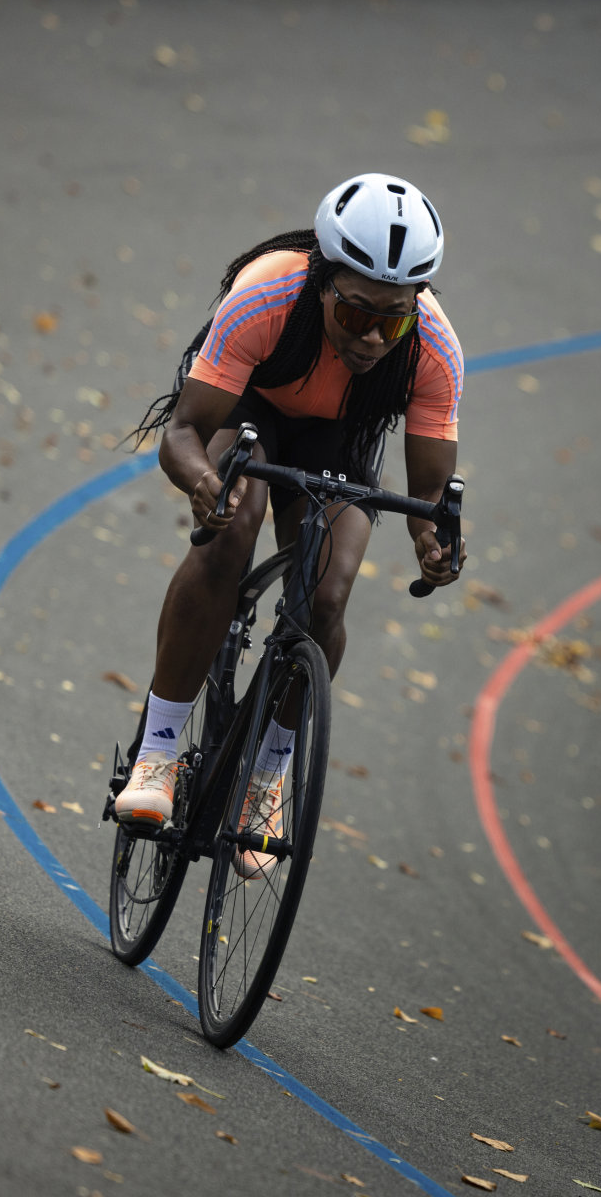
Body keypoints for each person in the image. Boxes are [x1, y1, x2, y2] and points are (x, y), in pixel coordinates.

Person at [115, 173, 466, 863]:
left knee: (327, 597)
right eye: (356, 314)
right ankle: (157, 754)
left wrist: (436, 545)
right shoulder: (269, 291)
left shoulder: (432, 348)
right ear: (321, 281)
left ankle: (267, 776)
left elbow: (429, 500)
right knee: (230, 533)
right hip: (249, 413)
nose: (371, 338)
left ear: (415, 306)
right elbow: (183, 433)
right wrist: (205, 486)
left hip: (340, 440)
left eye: (390, 320)